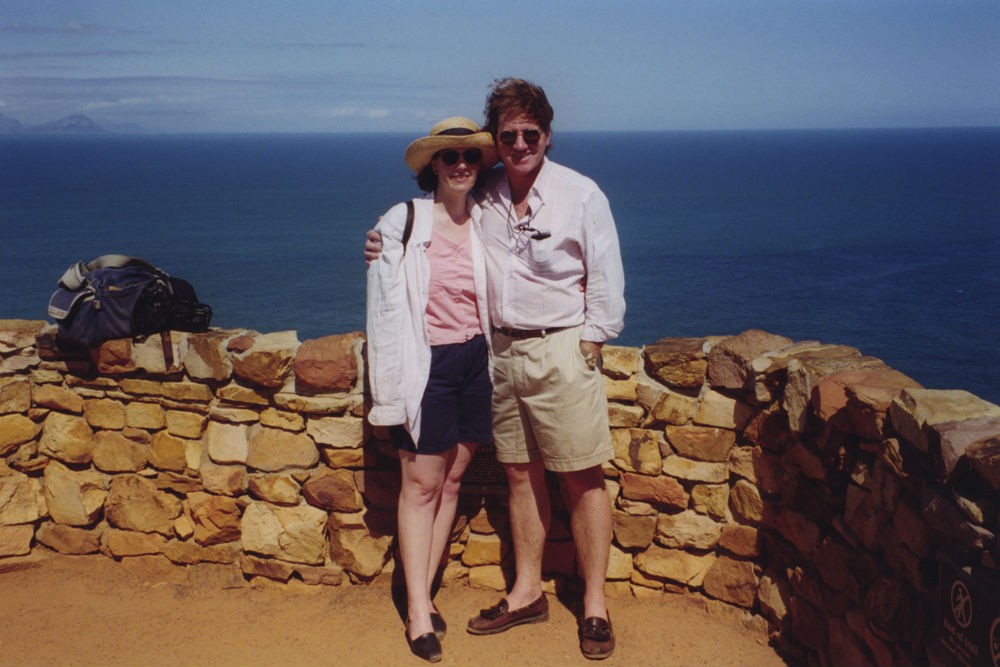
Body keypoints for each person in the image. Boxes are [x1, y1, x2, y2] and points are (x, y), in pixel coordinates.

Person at [366, 78, 625, 660]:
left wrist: (589, 344)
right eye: (508, 136)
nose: (519, 144)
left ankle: (594, 605)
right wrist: (378, 246)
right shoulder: (484, 193)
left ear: (548, 135)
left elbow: (607, 281)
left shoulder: (581, 195)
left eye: (530, 134)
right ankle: (527, 591)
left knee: (581, 477)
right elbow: (411, 244)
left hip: (561, 348)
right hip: (499, 353)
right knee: (519, 474)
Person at [366, 117, 498, 663]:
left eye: (470, 155)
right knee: (422, 485)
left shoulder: (490, 218)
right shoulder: (403, 220)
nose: (461, 163)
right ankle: (418, 610)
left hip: (477, 360)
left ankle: (423, 587)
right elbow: (381, 309)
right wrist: (389, 391)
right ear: (433, 166)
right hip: (428, 365)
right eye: (450, 156)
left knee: (453, 479)